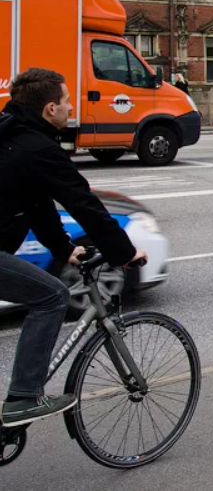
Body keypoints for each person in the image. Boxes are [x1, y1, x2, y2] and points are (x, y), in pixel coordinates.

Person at [0, 68, 146, 427]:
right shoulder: (38, 148)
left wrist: (63, 248)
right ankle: (22, 398)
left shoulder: (11, 133)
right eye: (66, 102)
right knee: (52, 297)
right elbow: (84, 205)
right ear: (50, 108)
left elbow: (37, 202)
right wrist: (124, 254)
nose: (71, 108)